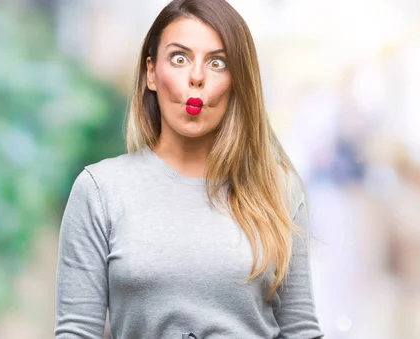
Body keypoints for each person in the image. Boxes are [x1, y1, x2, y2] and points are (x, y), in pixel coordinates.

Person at [54, 1, 323, 338]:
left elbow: (300, 330)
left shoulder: (278, 188)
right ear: (151, 73)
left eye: (217, 62)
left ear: (237, 79)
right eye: (179, 59)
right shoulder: (100, 190)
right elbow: (77, 331)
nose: (196, 77)